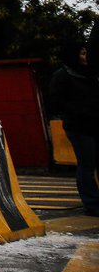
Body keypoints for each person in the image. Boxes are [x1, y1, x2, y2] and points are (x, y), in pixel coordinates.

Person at [49, 40, 99, 216]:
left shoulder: (90, 73)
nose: (86, 57)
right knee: (87, 164)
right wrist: (80, 111)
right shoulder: (62, 76)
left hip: (94, 125)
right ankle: (92, 204)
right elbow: (56, 103)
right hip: (79, 127)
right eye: (82, 53)